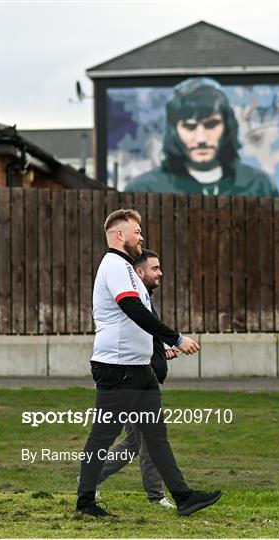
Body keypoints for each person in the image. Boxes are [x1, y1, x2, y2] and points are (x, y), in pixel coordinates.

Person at [76, 208, 221, 518]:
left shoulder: (128, 269)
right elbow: (132, 310)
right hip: (117, 368)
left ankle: (184, 497)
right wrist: (176, 338)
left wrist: (156, 350)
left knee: (155, 435)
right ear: (119, 235)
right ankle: (85, 501)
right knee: (103, 435)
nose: (141, 236)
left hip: (139, 369)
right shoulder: (114, 265)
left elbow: (142, 321)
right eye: (136, 231)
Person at [96, 249, 177, 509]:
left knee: (134, 441)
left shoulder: (143, 298)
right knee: (150, 440)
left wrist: (161, 352)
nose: (160, 273)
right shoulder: (133, 301)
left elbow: (143, 337)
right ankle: (157, 496)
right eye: (155, 268)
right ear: (139, 272)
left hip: (143, 379)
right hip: (133, 381)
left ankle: (90, 478)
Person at [126, 77, 279, 196]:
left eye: (211, 125)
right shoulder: (144, 189)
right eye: (190, 127)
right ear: (174, 130)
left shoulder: (259, 185)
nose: (201, 139)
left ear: (227, 126)